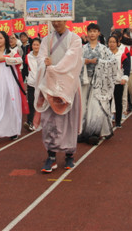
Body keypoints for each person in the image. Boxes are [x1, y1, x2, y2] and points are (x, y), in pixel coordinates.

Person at [34, 20, 83, 173]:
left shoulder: (75, 39)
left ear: (65, 19)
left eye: (59, 20)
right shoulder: (46, 40)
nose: (56, 23)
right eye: (53, 20)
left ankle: (69, 155)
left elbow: (72, 60)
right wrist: (45, 64)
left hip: (69, 85)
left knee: (70, 120)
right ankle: (51, 156)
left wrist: (54, 68)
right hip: (50, 85)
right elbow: (40, 58)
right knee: (49, 121)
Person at [0, 31, 27, 146]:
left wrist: (5, 58)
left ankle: (12, 130)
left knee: (9, 106)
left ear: (5, 40)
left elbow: (19, 60)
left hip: (9, 82)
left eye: (1, 38)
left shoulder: (11, 52)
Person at [79, 23, 117, 145]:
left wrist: (99, 62)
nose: (92, 34)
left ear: (98, 33)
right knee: (83, 106)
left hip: (99, 82)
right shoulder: (82, 49)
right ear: (87, 33)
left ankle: (94, 132)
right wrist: (85, 61)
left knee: (96, 106)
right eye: (90, 31)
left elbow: (113, 62)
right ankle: (83, 132)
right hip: (85, 80)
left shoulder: (104, 49)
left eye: (95, 31)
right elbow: (75, 61)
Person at [108, 35, 130, 128]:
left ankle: (118, 122)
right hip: (107, 82)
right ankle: (107, 120)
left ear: (117, 43)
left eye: (113, 42)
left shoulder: (121, 54)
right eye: (110, 42)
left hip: (118, 81)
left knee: (118, 101)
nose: (111, 44)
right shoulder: (105, 53)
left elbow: (126, 67)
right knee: (107, 102)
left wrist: (124, 78)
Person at [24, 37, 41, 132]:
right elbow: (25, 68)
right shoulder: (28, 56)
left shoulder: (44, 56)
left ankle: (42, 122)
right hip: (31, 83)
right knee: (30, 102)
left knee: (42, 104)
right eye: (34, 45)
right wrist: (26, 78)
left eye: (37, 45)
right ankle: (29, 122)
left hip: (42, 84)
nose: (35, 46)